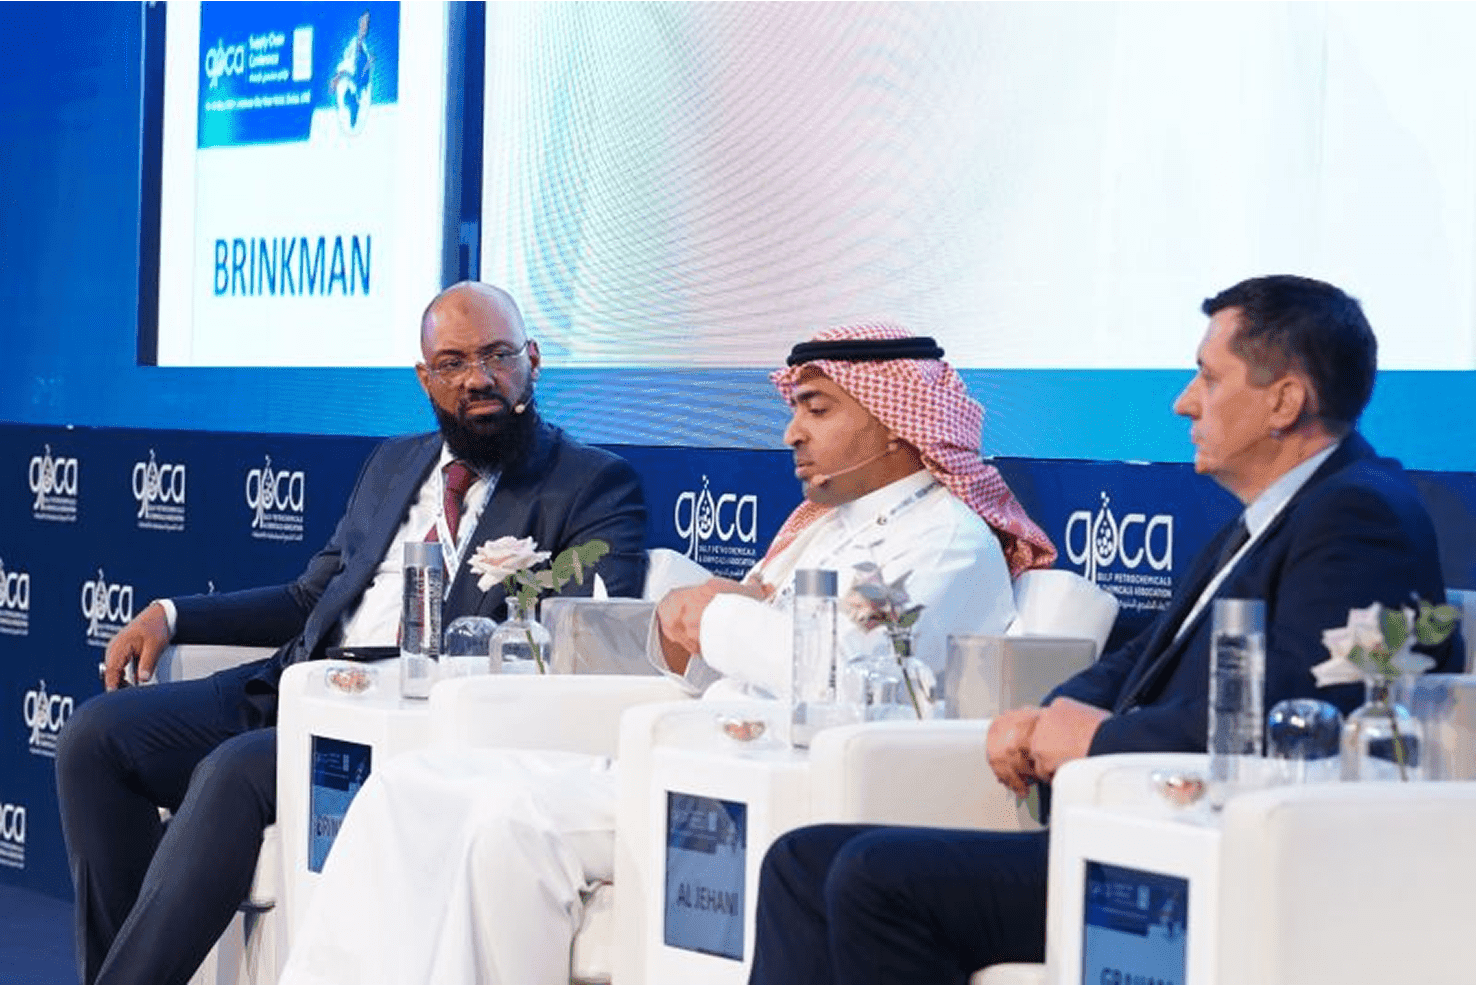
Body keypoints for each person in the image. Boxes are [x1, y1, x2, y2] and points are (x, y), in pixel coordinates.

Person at [277, 322, 1058, 985]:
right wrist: (705, 627)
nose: (791, 432)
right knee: (406, 784)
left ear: (896, 422)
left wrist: (718, 618)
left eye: (816, 410)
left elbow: (838, 672)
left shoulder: (945, 538)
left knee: (504, 824)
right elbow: (717, 650)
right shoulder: (826, 529)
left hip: (760, 782)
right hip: (692, 753)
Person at [746, 274, 1463, 985]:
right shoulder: (1260, 518)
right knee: (801, 860)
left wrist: (1097, 740)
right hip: (1136, 821)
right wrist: (1048, 715)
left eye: (1208, 380)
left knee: (876, 879)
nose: (1185, 402)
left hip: (1213, 848)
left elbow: (1296, 712)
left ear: (1284, 400)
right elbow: (1142, 661)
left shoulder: (1360, 516)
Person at [54, 281, 648, 985]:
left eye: (497, 355)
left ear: (534, 360)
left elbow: (582, 633)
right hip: (297, 685)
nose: (479, 379)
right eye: (454, 363)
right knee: (95, 739)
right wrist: (173, 615)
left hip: (404, 724)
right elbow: (313, 595)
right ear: (425, 378)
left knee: (236, 769)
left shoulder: (593, 484)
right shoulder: (394, 463)